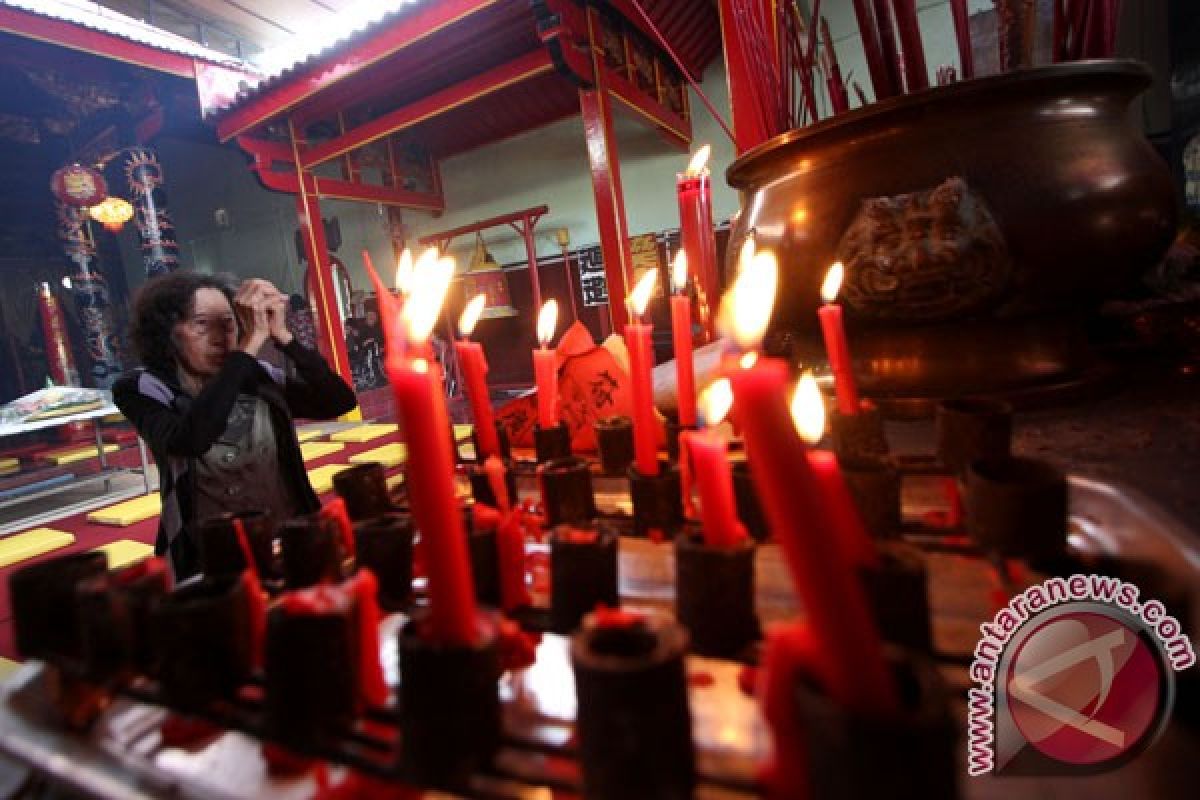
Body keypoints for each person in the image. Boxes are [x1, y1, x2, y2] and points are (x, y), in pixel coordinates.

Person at [114, 272, 357, 581]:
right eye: (202, 325)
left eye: (229, 323)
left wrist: (284, 337)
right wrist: (247, 347)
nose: (221, 338)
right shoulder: (143, 387)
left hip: (290, 536)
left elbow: (338, 402)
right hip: (209, 556)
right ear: (166, 333)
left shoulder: (257, 376)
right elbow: (191, 438)